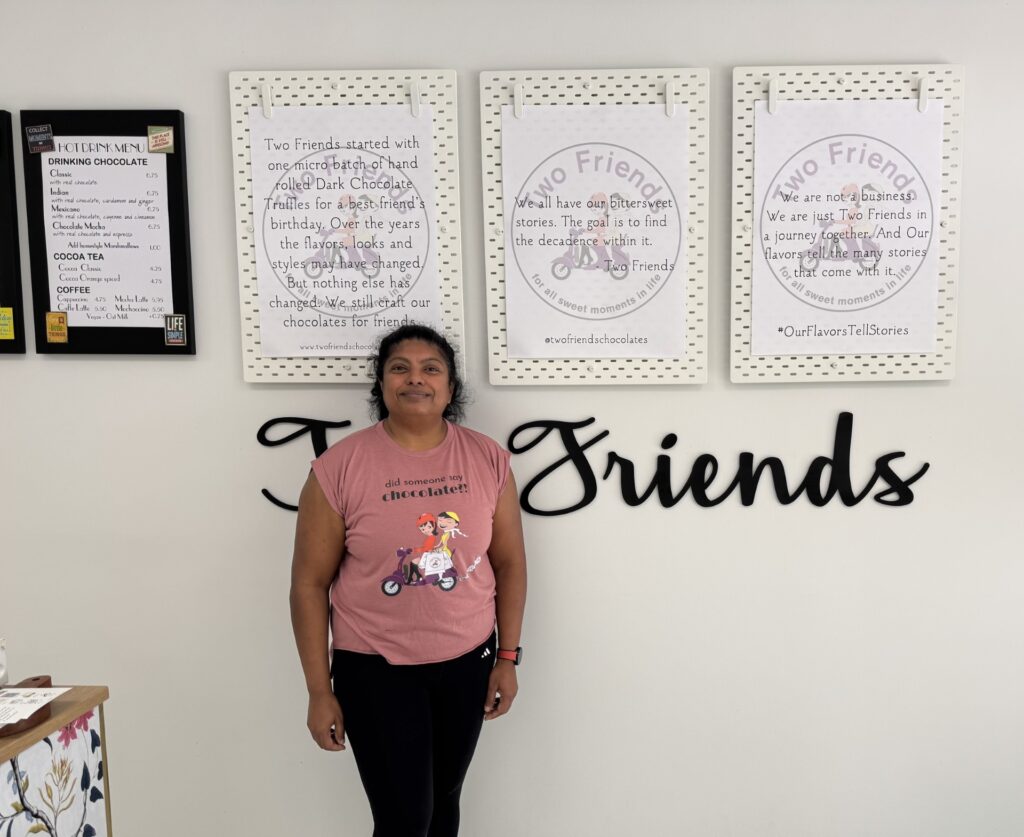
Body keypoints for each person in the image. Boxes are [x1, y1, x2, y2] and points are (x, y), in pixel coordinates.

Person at [290, 323, 527, 837]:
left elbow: (509, 564)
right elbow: (309, 585)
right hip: (375, 670)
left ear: (450, 386)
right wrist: (318, 690)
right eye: (400, 368)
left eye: (430, 368)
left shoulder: (488, 460)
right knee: (403, 821)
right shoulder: (338, 468)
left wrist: (508, 657)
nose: (414, 379)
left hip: (468, 664)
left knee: (444, 807)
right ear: (381, 384)